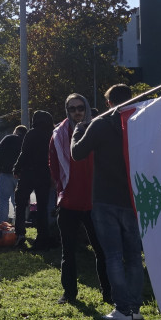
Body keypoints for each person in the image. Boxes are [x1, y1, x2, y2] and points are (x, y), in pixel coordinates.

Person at [71, 83, 143, 320]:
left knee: (113, 255)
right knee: (133, 256)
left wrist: (77, 132)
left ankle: (122, 308)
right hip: (132, 198)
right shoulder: (139, 123)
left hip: (105, 199)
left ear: (109, 103)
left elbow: (78, 153)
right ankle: (134, 307)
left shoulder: (100, 124)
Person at [48, 93, 111, 305]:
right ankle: (69, 293)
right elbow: (54, 167)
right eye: (72, 108)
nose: (77, 112)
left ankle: (108, 293)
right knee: (68, 251)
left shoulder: (98, 129)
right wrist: (62, 189)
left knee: (102, 250)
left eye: (80, 108)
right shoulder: (57, 135)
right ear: (67, 110)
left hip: (95, 201)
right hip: (68, 201)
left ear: (86, 108)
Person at [13, 111, 56, 249]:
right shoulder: (52, 134)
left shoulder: (32, 133)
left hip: (28, 172)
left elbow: (24, 153)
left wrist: (16, 168)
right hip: (44, 174)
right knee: (42, 207)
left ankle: (20, 233)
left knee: (21, 203)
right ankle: (43, 235)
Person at [0, 125, 26, 226]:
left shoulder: (7, 139)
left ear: (16, 131)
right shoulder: (25, 142)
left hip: (5, 173)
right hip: (20, 175)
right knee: (18, 202)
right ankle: (18, 223)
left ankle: (2, 223)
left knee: (3, 200)